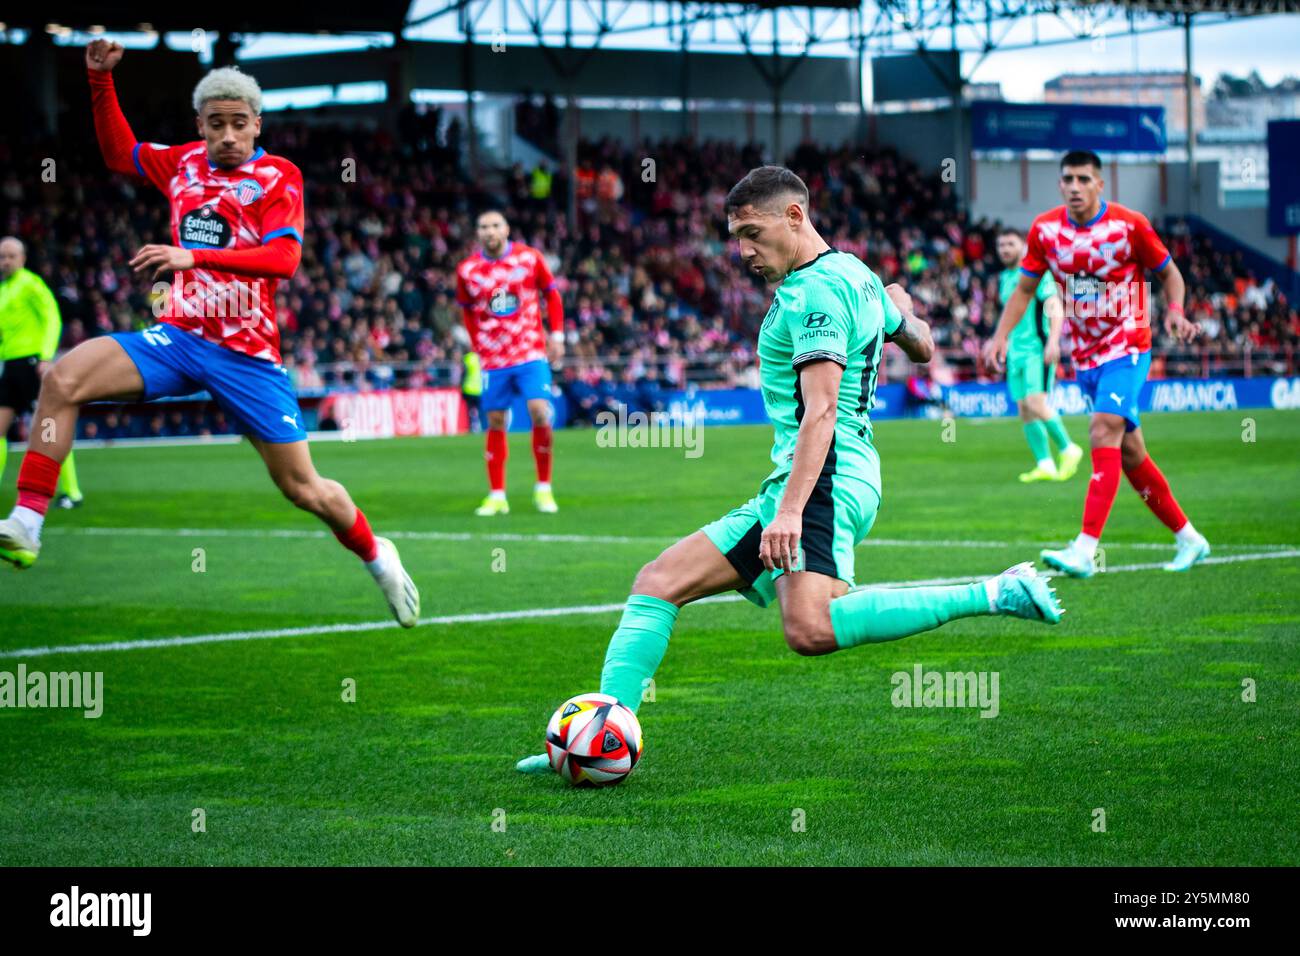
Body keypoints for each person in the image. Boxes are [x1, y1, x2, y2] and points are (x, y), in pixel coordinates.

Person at [517, 166, 1063, 774]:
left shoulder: (815, 294)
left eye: (752, 232)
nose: (743, 250)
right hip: (819, 473)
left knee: (809, 628)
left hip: (823, 475)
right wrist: (896, 312)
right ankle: (598, 732)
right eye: (736, 236)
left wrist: (791, 511)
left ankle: (996, 590)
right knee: (658, 582)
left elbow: (822, 409)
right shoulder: (852, 272)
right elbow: (923, 343)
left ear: (795, 217)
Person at [0, 40, 420, 630]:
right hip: (178, 339)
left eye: (238, 124)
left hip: (247, 358)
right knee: (64, 378)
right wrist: (98, 79)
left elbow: (283, 260)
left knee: (304, 489)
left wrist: (192, 257)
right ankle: (28, 521)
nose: (227, 135)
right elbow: (121, 154)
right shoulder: (184, 163)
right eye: (216, 124)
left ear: (257, 125)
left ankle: (379, 557)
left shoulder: (278, 176)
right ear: (200, 125)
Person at [983, 149, 1209, 576]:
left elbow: (1170, 274)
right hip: (1086, 353)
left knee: (1103, 427)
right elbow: (1025, 291)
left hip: (1128, 342)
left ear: (1099, 185)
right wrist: (1000, 336)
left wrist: (1176, 312)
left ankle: (1084, 550)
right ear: (1060, 184)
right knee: (1129, 451)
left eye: (1084, 179)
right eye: (1068, 179)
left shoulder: (1130, 225)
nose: (1074, 187)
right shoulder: (1045, 230)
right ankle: (1189, 538)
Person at [455, 210, 564, 515]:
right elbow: (466, 310)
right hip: (493, 358)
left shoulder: (529, 258)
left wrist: (557, 336)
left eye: (495, 225)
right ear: (477, 233)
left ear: (506, 229)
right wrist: (477, 345)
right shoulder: (467, 270)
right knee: (495, 421)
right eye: (483, 226)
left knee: (540, 411)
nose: (489, 231)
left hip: (530, 350)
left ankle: (543, 488)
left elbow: (552, 296)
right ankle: (497, 495)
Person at [991, 227, 1083, 482]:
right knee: (1024, 408)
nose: (1005, 250)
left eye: (1010, 244)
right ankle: (1045, 464)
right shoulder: (1004, 278)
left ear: (1022, 246)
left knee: (1036, 403)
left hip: (1036, 349)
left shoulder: (1036, 275)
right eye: (1001, 245)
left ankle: (1069, 448)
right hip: (1015, 352)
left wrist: (1054, 340)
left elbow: (1055, 306)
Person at [0, 237, 84, 507]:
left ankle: (71, 491)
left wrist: (46, 356)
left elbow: (52, 317)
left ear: (23, 258)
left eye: (11, 255)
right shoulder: (4, 289)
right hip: (10, 366)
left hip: (32, 364)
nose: (6, 261)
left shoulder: (31, 284)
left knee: (49, 427)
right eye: (2, 256)